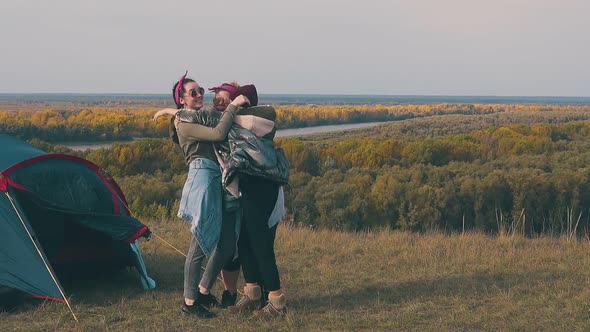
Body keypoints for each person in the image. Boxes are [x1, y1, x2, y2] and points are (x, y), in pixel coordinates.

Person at [175, 85, 289, 318]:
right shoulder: (228, 121)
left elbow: (217, 126)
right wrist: (176, 111)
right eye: (215, 99)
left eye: (223, 99)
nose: (217, 103)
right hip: (241, 187)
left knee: (258, 245)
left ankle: (276, 302)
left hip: (261, 186)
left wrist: (177, 111)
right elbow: (205, 120)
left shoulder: (247, 121)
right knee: (243, 242)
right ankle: (252, 295)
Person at [153, 71, 249, 318]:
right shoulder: (184, 124)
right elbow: (219, 133)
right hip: (203, 179)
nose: (198, 95)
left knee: (226, 242)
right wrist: (234, 106)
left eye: (200, 90)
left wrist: (169, 110)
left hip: (216, 178)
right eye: (192, 92)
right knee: (199, 243)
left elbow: (216, 119)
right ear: (182, 100)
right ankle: (190, 302)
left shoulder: (195, 117)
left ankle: (204, 290)